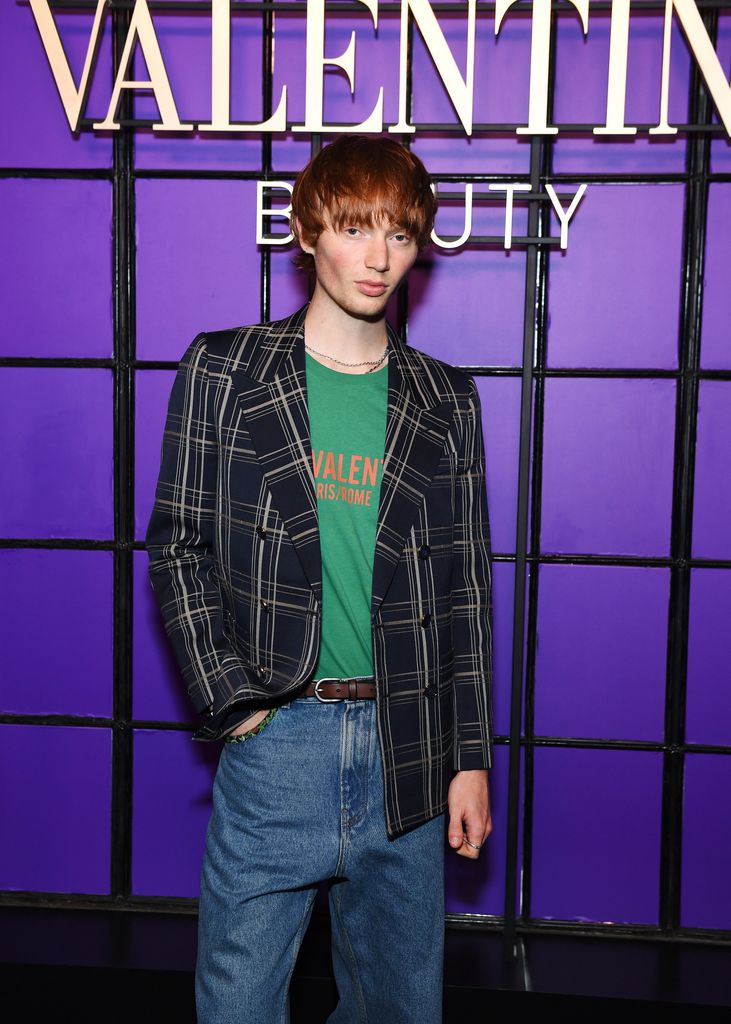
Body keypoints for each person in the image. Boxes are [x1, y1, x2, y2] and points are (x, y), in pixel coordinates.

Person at [145, 134, 495, 1024]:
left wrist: (468, 759)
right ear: (306, 232)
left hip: (407, 749)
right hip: (278, 741)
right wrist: (235, 701)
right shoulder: (223, 369)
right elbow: (178, 546)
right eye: (353, 228)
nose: (378, 257)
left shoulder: (446, 398)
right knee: (236, 1006)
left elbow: (464, 591)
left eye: (400, 234)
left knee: (398, 1009)